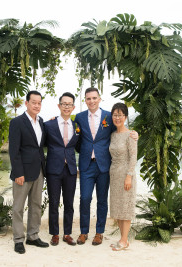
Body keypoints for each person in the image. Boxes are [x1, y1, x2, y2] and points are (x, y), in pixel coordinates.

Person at [74, 87, 138, 246]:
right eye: (88, 99)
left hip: (104, 166)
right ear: (85, 100)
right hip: (86, 165)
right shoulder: (80, 117)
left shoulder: (109, 117)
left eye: (94, 98)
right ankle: (83, 232)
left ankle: (99, 233)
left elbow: (121, 129)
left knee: (102, 200)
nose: (92, 101)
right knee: (85, 198)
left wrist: (135, 134)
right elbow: (77, 140)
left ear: (99, 99)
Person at [9, 90, 49, 254]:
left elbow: (41, 145)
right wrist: (18, 172)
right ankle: (18, 239)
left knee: (36, 205)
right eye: (34, 102)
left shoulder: (41, 122)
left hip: (39, 170)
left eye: (39, 103)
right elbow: (14, 150)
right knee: (18, 207)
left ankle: (32, 236)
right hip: (22, 172)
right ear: (27, 103)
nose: (37, 105)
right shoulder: (17, 122)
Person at [44, 92, 80, 246]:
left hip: (71, 169)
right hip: (53, 169)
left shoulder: (77, 126)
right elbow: (41, 144)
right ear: (59, 106)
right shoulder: (49, 125)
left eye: (69, 104)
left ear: (73, 107)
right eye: (64, 104)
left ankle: (67, 233)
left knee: (69, 203)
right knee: (53, 202)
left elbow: (78, 146)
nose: (67, 106)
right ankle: (55, 234)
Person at [108, 102, 138, 251]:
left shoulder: (131, 135)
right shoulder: (113, 135)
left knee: (125, 208)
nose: (117, 118)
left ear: (125, 117)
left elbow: (133, 157)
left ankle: (124, 240)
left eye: (120, 115)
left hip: (126, 173)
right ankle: (123, 239)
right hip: (114, 175)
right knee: (118, 208)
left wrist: (129, 176)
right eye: (115, 115)